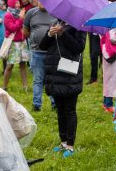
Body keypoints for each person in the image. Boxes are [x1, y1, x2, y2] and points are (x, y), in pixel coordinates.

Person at [39, 21, 86, 158]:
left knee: (69, 110)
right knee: (59, 110)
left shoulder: (79, 26)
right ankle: (63, 142)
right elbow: (43, 46)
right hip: (55, 74)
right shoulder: (54, 23)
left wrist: (63, 33)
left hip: (70, 75)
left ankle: (70, 145)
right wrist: (49, 34)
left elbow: (79, 47)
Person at [23, 0, 56, 111]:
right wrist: (34, 38)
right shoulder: (31, 13)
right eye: (40, 0)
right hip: (36, 52)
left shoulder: (55, 13)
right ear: (36, 0)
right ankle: (36, 105)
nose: (42, 2)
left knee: (51, 79)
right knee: (38, 79)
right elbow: (25, 31)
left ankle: (54, 104)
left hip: (52, 53)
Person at [3, 0, 29, 91]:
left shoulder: (20, 14)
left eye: (19, 3)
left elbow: (24, 26)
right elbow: (13, 28)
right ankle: (4, 87)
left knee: (23, 64)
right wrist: (21, 19)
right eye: (16, 3)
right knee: (10, 65)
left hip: (22, 42)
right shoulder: (8, 15)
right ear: (11, 4)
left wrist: (24, 18)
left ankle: (25, 87)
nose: (18, 5)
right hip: (13, 44)